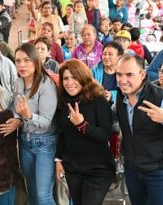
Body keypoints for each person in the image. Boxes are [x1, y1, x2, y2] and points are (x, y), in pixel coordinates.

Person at [115, 54, 163, 205]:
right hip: (132, 169)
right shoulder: (121, 96)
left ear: (142, 74)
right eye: (119, 74)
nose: (123, 80)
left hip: (160, 172)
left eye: (129, 74)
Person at [55, 59, 115, 205]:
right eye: (66, 78)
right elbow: (63, 133)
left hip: (98, 169)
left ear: (83, 77)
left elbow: (105, 135)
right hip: (72, 168)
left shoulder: (98, 100)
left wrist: (82, 125)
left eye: (74, 77)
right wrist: (58, 160)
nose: (69, 82)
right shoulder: (64, 101)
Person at [9, 43, 58, 205]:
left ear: (36, 61)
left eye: (26, 60)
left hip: (45, 142)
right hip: (24, 140)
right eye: (17, 61)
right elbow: (16, 108)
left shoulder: (46, 85)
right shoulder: (18, 83)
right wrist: (17, 118)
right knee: (33, 192)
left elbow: (46, 123)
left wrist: (28, 116)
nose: (21, 65)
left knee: (43, 195)